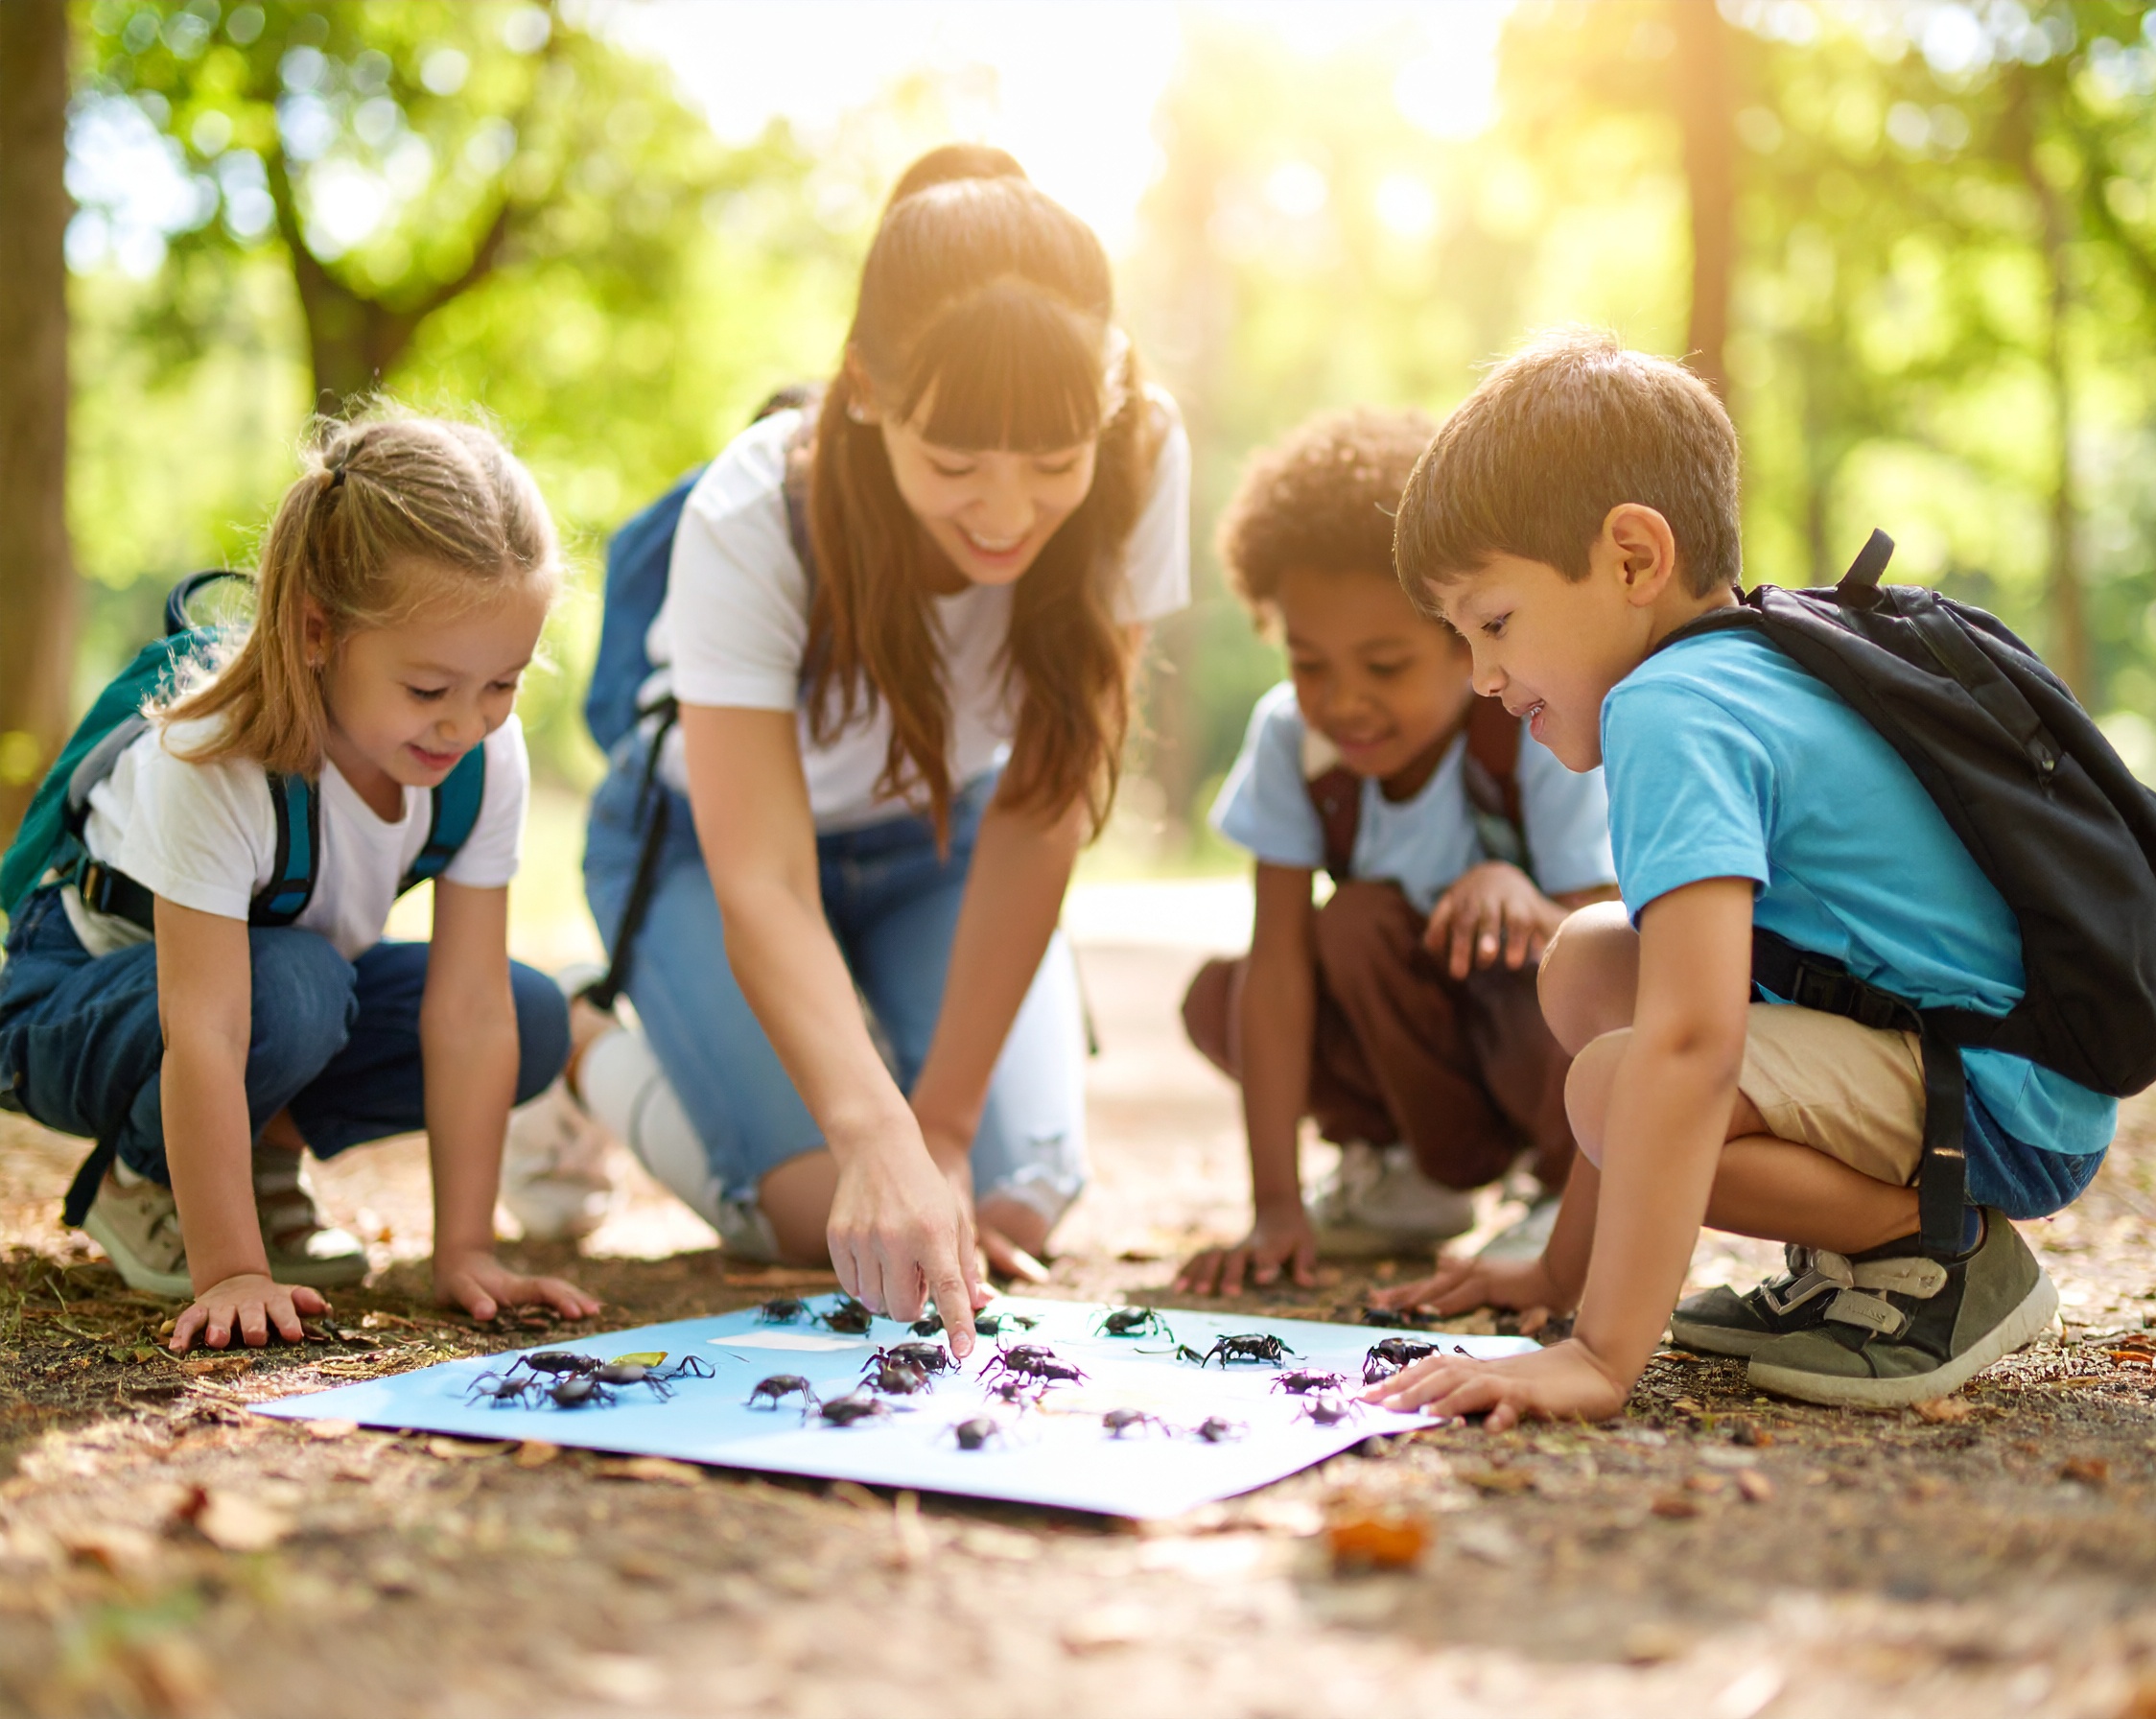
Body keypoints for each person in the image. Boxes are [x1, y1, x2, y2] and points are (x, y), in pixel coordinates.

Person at [1367, 328, 2112, 1420]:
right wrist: (1554, 1275)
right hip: (1990, 1066)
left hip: (1998, 1095)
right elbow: (1671, 1011)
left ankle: (1934, 1252)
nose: (1482, 675)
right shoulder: (1745, 662)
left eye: (1494, 622)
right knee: (1588, 966)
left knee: (1615, 1083)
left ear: (1632, 558)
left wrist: (1600, 1354)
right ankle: (1858, 1252)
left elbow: (1690, 1044)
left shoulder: (1669, 710)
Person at [552, 146, 1188, 1354]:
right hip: (707, 848)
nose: (1005, 516)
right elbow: (765, 880)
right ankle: (586, 1061)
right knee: (823, 1219)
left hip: (939, 837)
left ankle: (886, 1063)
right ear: (866, 393)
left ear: (1104, 400)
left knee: (1006, 1203)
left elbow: (1046, 801)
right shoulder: (751, 509)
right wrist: (873, 1134)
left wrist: (938, 1123)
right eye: (953, 467)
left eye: (1054, 467)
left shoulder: (1146, 452)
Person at [0, 412, 598, 1352]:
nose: (466, 722)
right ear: (318, 631)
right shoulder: (210, 758)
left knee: (530, 1012)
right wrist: (234, 1271)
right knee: (295, 985)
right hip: (75, 1008)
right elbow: (207, 1026)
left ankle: (267, 1151)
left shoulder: (484, 750)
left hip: (269, 1000)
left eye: (503, 683)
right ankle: (145, 1176)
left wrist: (467, 1249)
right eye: (429, 689)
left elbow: (472, 1006)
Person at [1172, 409, 1615, 1297]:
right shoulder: (1293, 744)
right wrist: (1274, 1205)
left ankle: (1562, 1196)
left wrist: (1524, 901)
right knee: (1267, 972)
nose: (1344, 703)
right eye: (1310, 665)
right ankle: (1410, 1178)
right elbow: (1280, 976)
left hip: (1526, 1044)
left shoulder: (1531, 727)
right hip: (1414, 1053)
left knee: (1582, 956)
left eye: (1383, 666)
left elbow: (1619, 951)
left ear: (1464, 640)